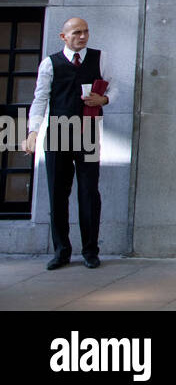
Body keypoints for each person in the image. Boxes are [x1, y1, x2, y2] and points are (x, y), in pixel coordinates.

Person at [22, 16, 110, 269]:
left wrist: (104, 101)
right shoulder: (50, 63)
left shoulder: (100, 57)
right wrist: (32, 132)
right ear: (64, 36)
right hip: (59, 131)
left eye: (86, 31)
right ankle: (61, 251)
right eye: (76, 32)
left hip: (89, 131)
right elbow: (40, 99)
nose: (82, 36)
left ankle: (90, 251)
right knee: (58, 193)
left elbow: (114, 88)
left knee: (89, 192)